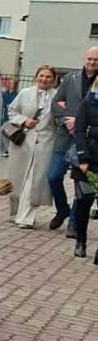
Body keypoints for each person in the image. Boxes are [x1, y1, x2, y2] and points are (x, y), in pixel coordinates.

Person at [49, 47, 98, 234]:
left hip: (88, 141)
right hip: (66, 137)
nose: (92, 62)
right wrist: (65, 120)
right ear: (84, 58)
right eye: (89, 59)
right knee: (53, 177)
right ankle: (63, 210)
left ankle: (74, 224)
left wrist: (80, 122)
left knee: (82, 183)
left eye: (96, 60)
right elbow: (55, 103)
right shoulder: (70, 78)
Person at [6, 65, 58, 229]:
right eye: (41, 76)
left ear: (54, 80)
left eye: (48, 77)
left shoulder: (57, 97)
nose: (44, 79)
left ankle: (26, 218)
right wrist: (24, 120)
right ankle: (16, 213)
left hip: (46, 142)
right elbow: (12, 111)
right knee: (17, 178)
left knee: (35, 180)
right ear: (36, 77)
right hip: (23, 141)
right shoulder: (25, 93)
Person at [72, 80, 98, 260]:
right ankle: (80, 241)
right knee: (84, 202)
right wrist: (83, 158)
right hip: (88, 160)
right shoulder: (88, 102)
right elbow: (79, 130)